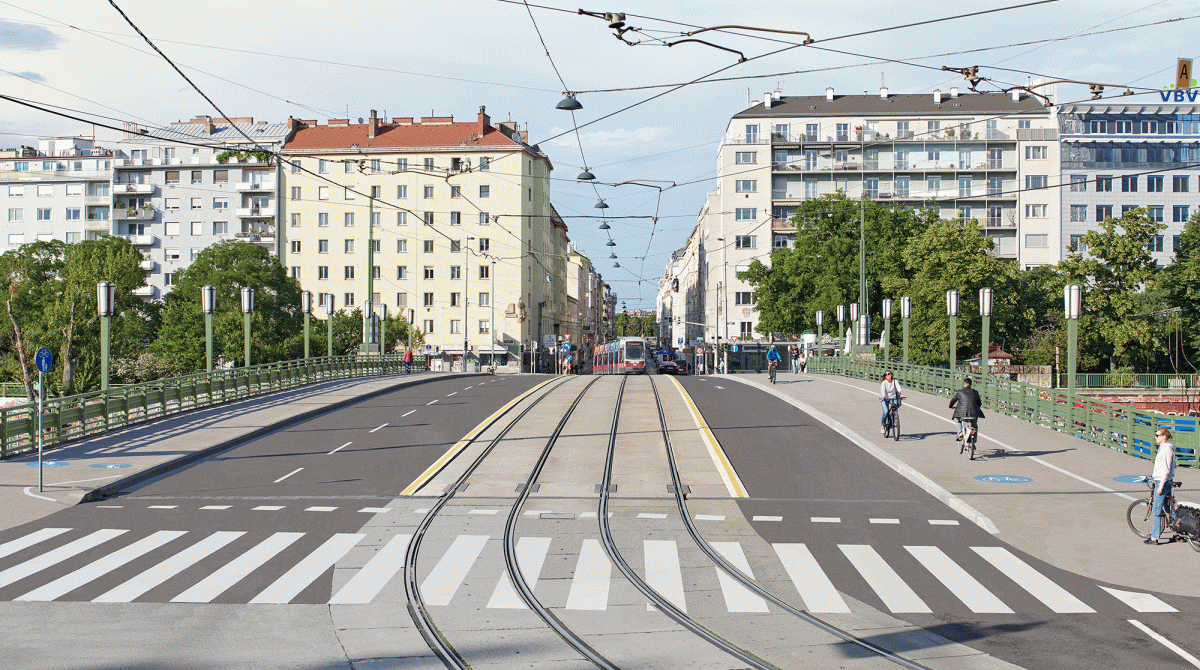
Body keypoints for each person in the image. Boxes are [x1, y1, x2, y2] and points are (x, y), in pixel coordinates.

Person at [1147, 428, 1176, 545]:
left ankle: (1154, 538)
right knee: (1170, 509)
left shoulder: (1166, 450)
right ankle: (1181, 532)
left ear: (1164, 437)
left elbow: (1167, 468)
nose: (1155, 437)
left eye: (1157, 435)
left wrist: (1161, 485)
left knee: (1156, 510)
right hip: (1163, 480)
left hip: (1163, 482)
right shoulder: (1164, 449)